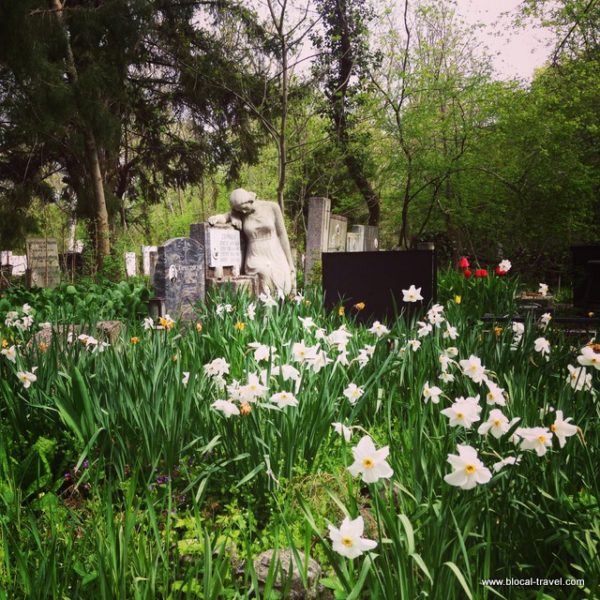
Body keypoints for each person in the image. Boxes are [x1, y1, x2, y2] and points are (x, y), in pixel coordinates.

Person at [208, 189, 296, 295]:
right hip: (255, 255)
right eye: (240, 210)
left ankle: (279, 310)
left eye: (244, 208)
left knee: (284, 285)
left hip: (275, 251)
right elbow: (225, 217)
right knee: (264, 274)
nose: (243, 212)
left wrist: (290, 264)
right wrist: (217, 218)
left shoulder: (272, 207)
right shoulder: (240, 213)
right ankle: (265, 309)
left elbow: (282, 235)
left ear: (250, 200)